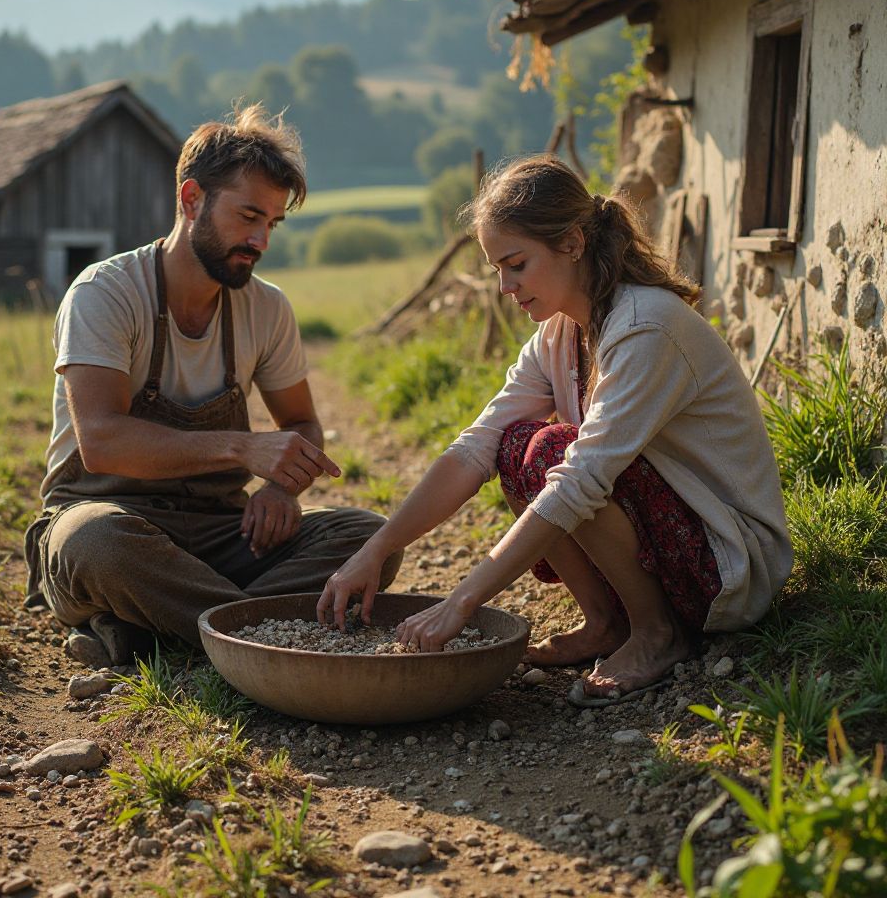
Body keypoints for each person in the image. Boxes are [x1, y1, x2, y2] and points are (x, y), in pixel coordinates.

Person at [318, 154, 792, 705]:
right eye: (497, 269)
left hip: (726, 565)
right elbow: (476, 446)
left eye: (516, 264)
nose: (505, 286)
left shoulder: (646, 327)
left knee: (550, 452)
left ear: (572, 243)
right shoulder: (560, 333)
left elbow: (580, 479)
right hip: (675, 546)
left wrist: (460, 602)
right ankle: (606, 623)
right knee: (514, 445)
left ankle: (657, 634)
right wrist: (377, 549)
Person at [24, 104, 401, 669]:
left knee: (370, 538)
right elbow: (101, 441)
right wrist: (243, 448)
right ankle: (262, 636)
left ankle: (161, 627)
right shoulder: (105, 293)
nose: (261, 240)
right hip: (109, 518)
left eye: (272, 223)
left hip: (221, 533)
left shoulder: (267, 308)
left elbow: (301, 423)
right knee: (94, 542)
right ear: (191, 199)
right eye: (248, 216)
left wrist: (280, 491)